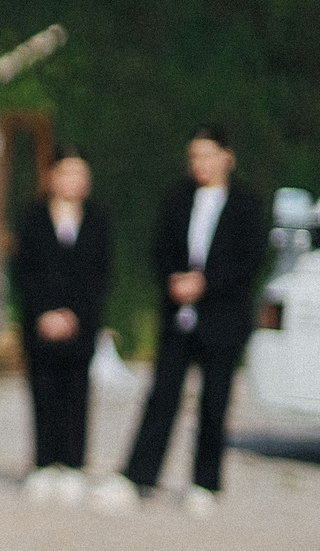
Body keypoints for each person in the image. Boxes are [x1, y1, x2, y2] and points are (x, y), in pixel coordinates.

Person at [98, 125, 269, 515]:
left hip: (222, 316)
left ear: (227, 157)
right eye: (194, 156)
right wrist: (174, 280)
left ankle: (205, 483)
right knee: (162, 395)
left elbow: (249, 259)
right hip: (178, 314)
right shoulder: (178, 198)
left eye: (207, 156)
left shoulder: (245, 203)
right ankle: (139, 476)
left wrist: (206, 283)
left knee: (215, 400)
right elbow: (161, 248)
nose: (200, 164)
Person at [9, 146, 109, 505]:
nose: (72, 182)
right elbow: (24, 271)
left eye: (79, 174)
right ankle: (43, 463)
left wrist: (74, 314)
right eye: (65, 173)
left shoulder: (97, 220)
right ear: (51, 177)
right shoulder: (34, 218)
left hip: (80, 323)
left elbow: (100, 275)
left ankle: (72, 464)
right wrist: (43, 313)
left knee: (76, 391)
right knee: (43, 388)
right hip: (41, 321)